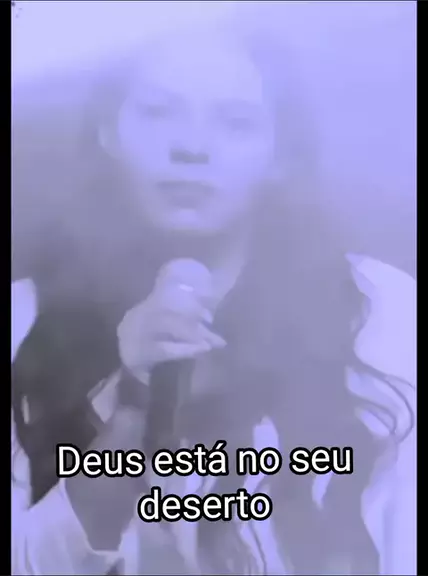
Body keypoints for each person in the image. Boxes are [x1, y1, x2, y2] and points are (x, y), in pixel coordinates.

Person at [11, 19, 416, 576]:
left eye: (236, 122)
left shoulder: (383, 311)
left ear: (280, 154)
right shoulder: (23, 319)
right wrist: (132, 404)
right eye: (158, 113)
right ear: (109, 133)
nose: (192, 148)